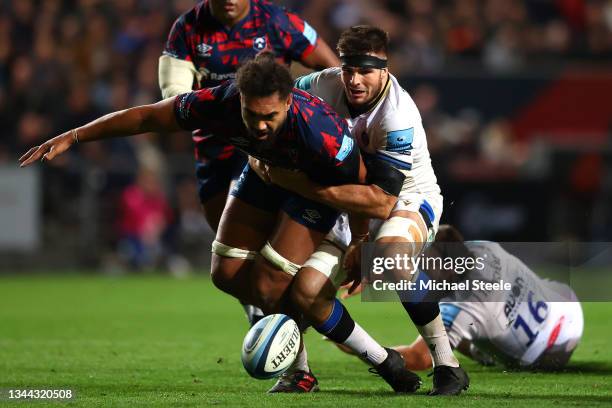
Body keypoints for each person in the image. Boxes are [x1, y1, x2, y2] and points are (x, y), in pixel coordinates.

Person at [20, 53, 421, 395]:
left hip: (313, 191)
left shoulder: (322, 132)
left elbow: (360, 184)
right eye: (252, 114)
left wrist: (361, 239)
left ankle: (355, 364)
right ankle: (319, 351)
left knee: (273, 284)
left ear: (289, 102)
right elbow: (145, 117)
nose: (260, 126)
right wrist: (74, 136)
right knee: (226, 273)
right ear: (240, 100)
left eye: (270, 117)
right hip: (263, 174)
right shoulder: (219, 102)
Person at [252, 26, 469, 395]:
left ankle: (448, 365)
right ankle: (385, 363)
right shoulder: (322, 84)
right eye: (348, 69)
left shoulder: (397, 116)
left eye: (365, 71)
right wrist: (258, 152)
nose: (354, 80)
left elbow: (381, 200)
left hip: (406, 198)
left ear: (385, 69)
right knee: (304, 291)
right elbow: (277, 107)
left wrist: (361, 238)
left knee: (389, 258)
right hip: (343, 201)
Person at [159, 0, 339, 231]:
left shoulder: (277, 21)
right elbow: (174, 97)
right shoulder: (187, 28)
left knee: (241, 232)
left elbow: (334, 72)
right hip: (213, 146)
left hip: (266, 142)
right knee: (224, 242)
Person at [392, 225, 584, 371]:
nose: (420, 271)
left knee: (445, 332)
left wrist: (366, 350)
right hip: (568, 309)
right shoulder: (484, 248)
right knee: (468, 326)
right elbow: (447, 238)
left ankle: (484, 353)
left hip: (547, 353)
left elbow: (420, 358)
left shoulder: (463, 306)